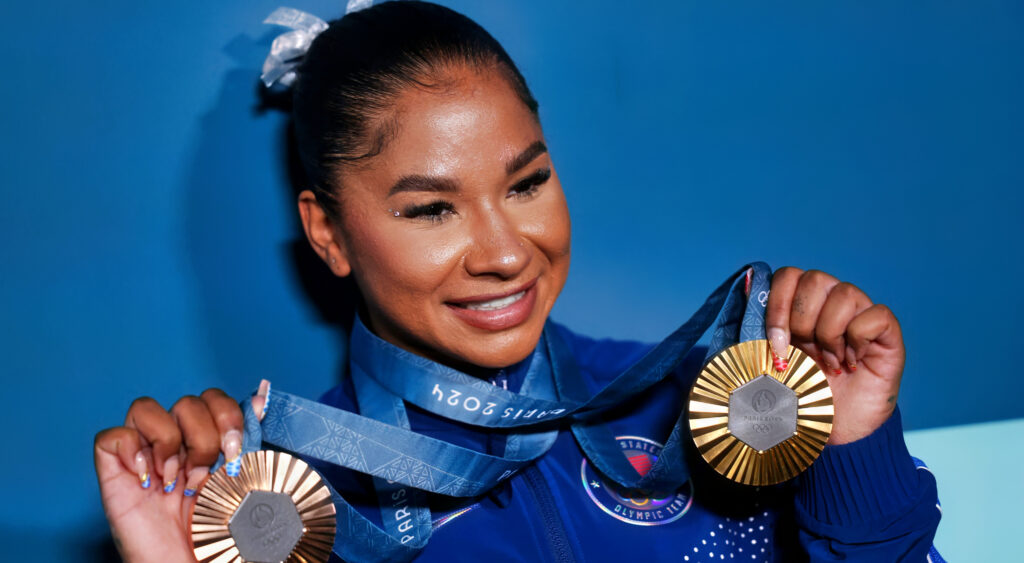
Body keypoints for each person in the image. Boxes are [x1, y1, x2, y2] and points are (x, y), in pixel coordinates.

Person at [93, 2, 941, 561]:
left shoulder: (720, 397)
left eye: (527, 183)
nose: (505, 252)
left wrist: (852, 450)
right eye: (431, 210)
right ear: (329, 233)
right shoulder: (281, 505)